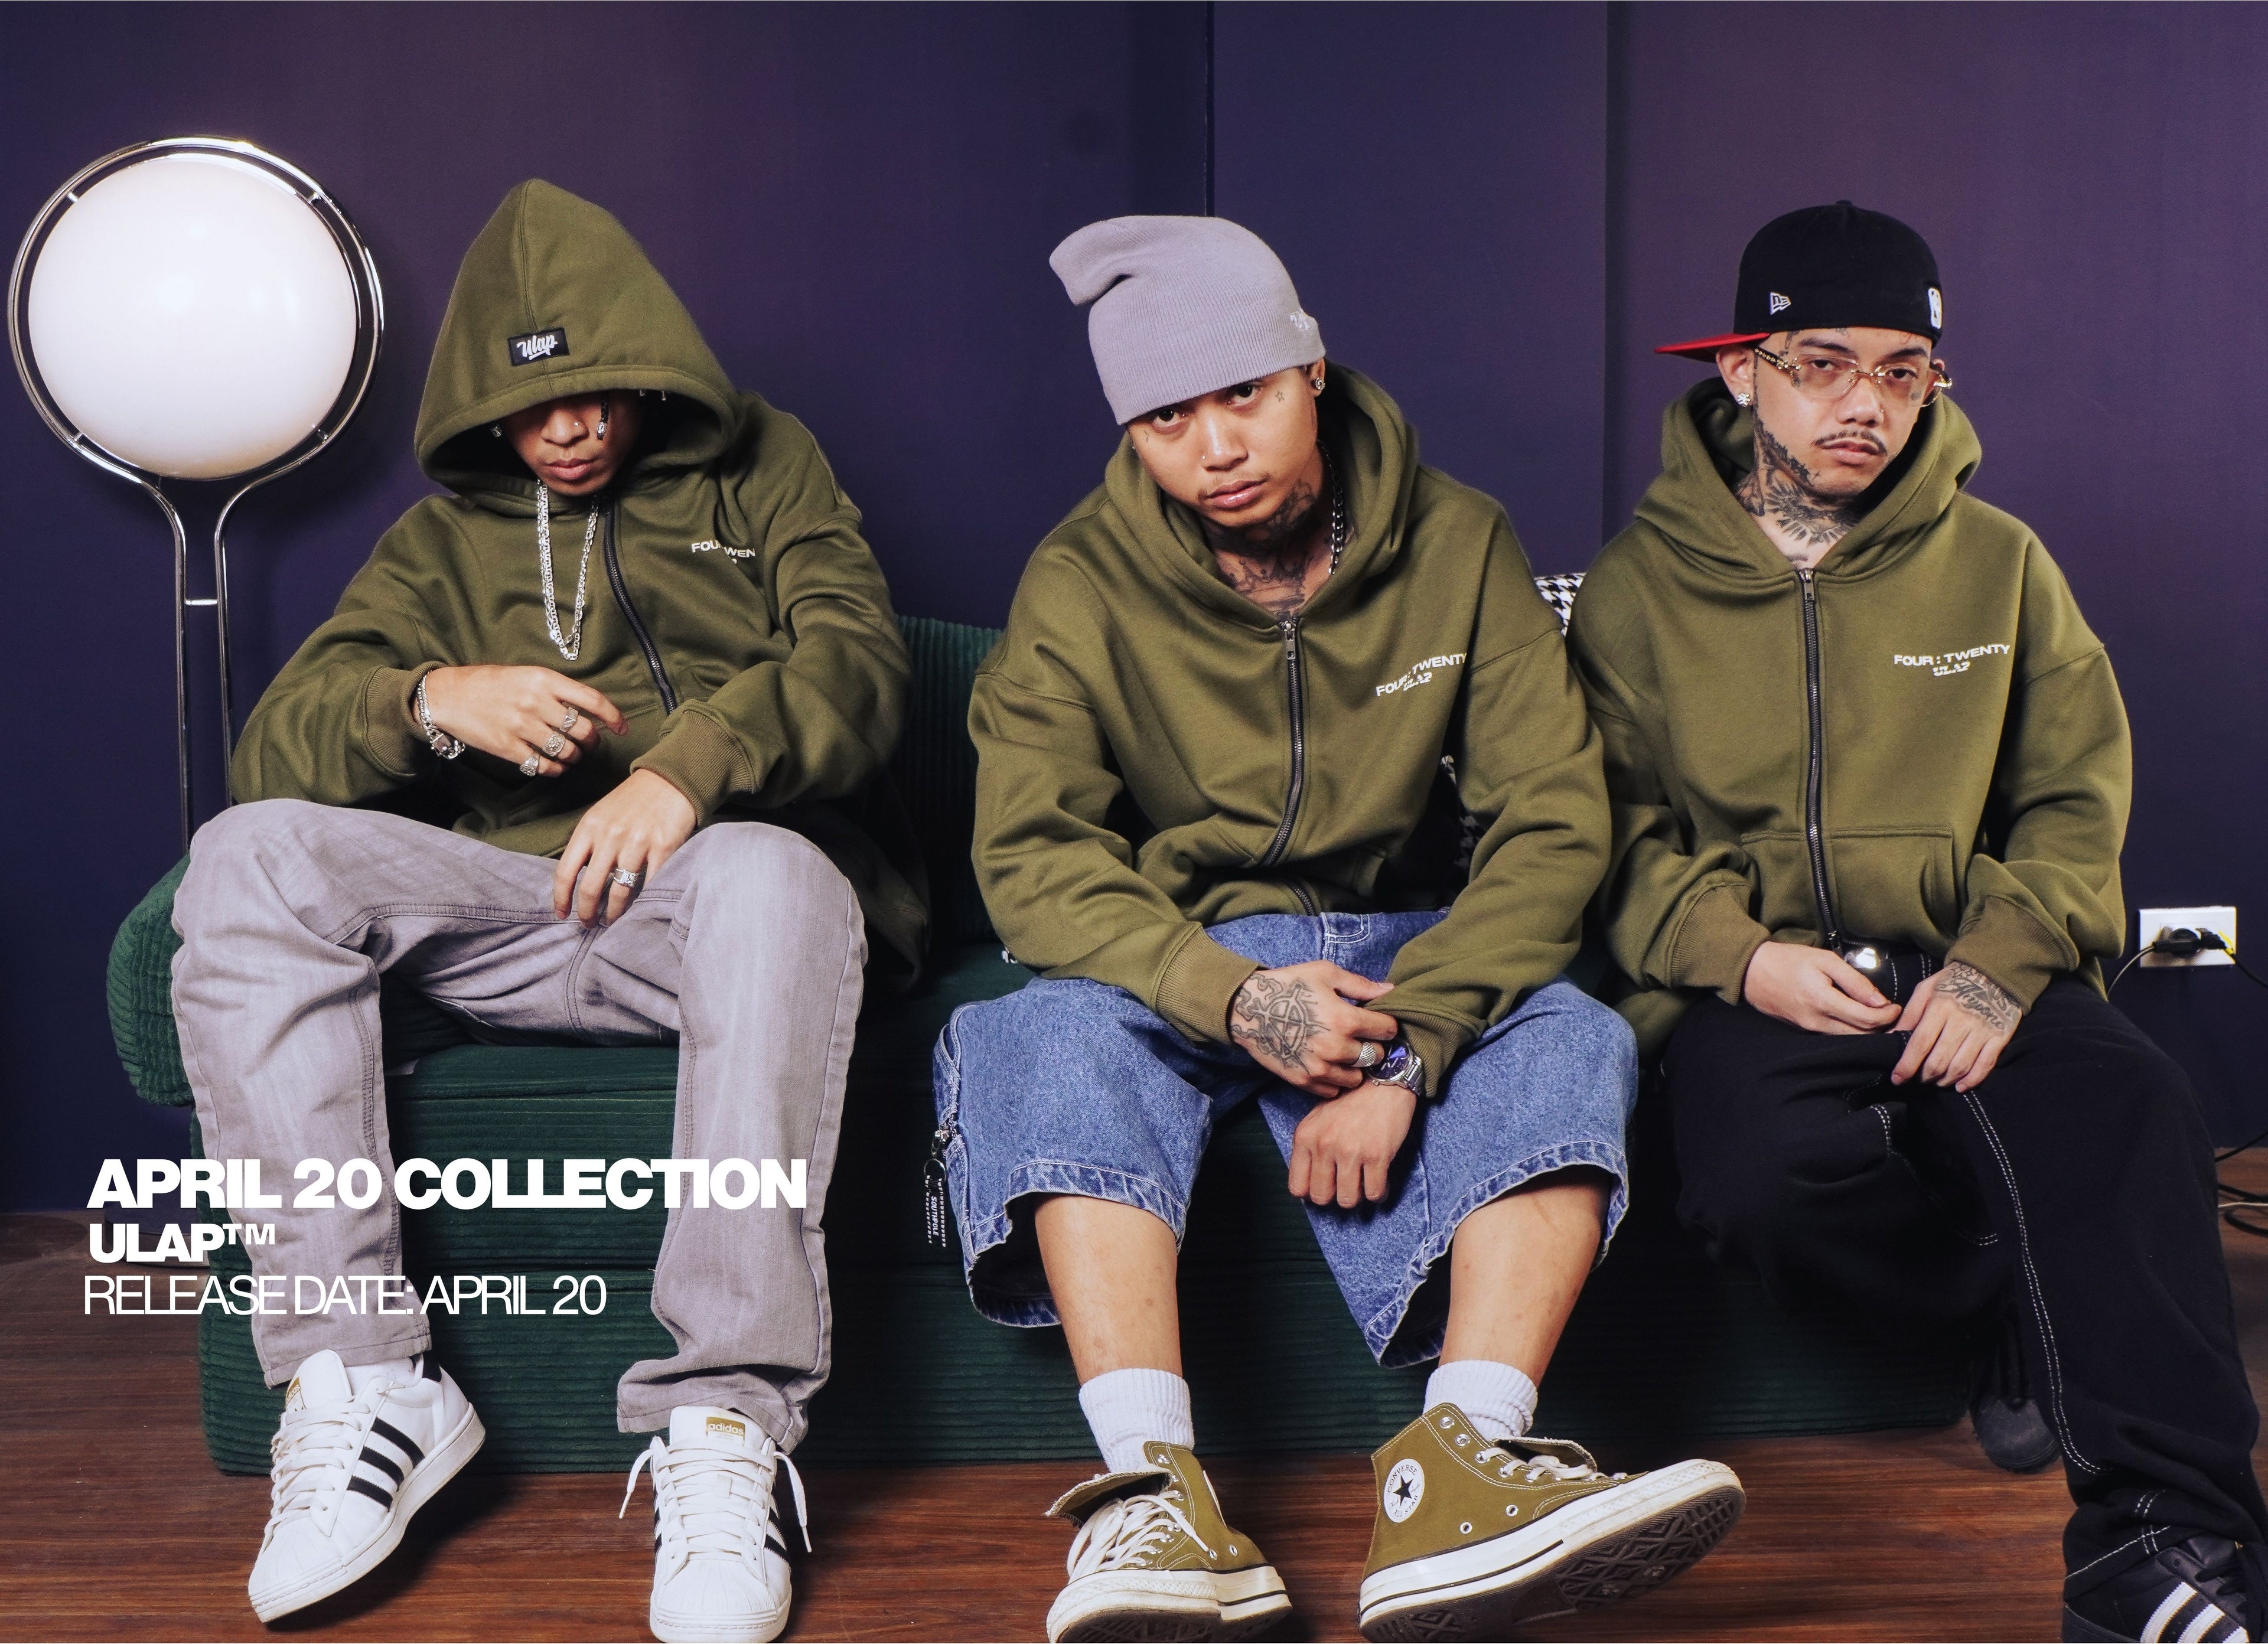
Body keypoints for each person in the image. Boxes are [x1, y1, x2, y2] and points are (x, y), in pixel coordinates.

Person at [934, 214, 1742, 1644]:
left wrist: (1414, 1041)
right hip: (1178, 959)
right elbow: (1032, 854)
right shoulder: (1078, 581)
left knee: (1573, 1030)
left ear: (1310, 368)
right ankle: (1152, 1496)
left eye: (1242, 394)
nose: (1215, 449)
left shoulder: (1461, 540)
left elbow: (1553, 820)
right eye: (1166, 419)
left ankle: (1464, 1468)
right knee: (1034, 1032)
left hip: (1403, 951)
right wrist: (1233, 997)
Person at [171, 180, 925, 1643]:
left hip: (721, 905)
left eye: (597, 391)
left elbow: (862, 664)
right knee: (249, 852)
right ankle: (365, 1383)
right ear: (482, 408)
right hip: (512, 913)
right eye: (530, 408)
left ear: (652, 368)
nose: (570, 429)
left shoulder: (765, 471)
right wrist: (428, 700)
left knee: (771, 869)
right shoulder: (436, 548)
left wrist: (690, 774)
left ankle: (725, 1425)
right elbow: (277, 747)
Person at [1567, 200, 2268, 1644]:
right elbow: (1608, 835)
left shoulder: (2001, 561)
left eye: (1903, 372)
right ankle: (2012, 1301)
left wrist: (2000, 968)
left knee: (2137, 1105)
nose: (1866, 406)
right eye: (1824, 364)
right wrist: (1741, 957)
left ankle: (2166, 1552)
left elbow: (2074, 797)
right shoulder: (1635, 589)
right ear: (1743, 370)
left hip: (1968, 956)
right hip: (1761, 981)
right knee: (1764, 1185)